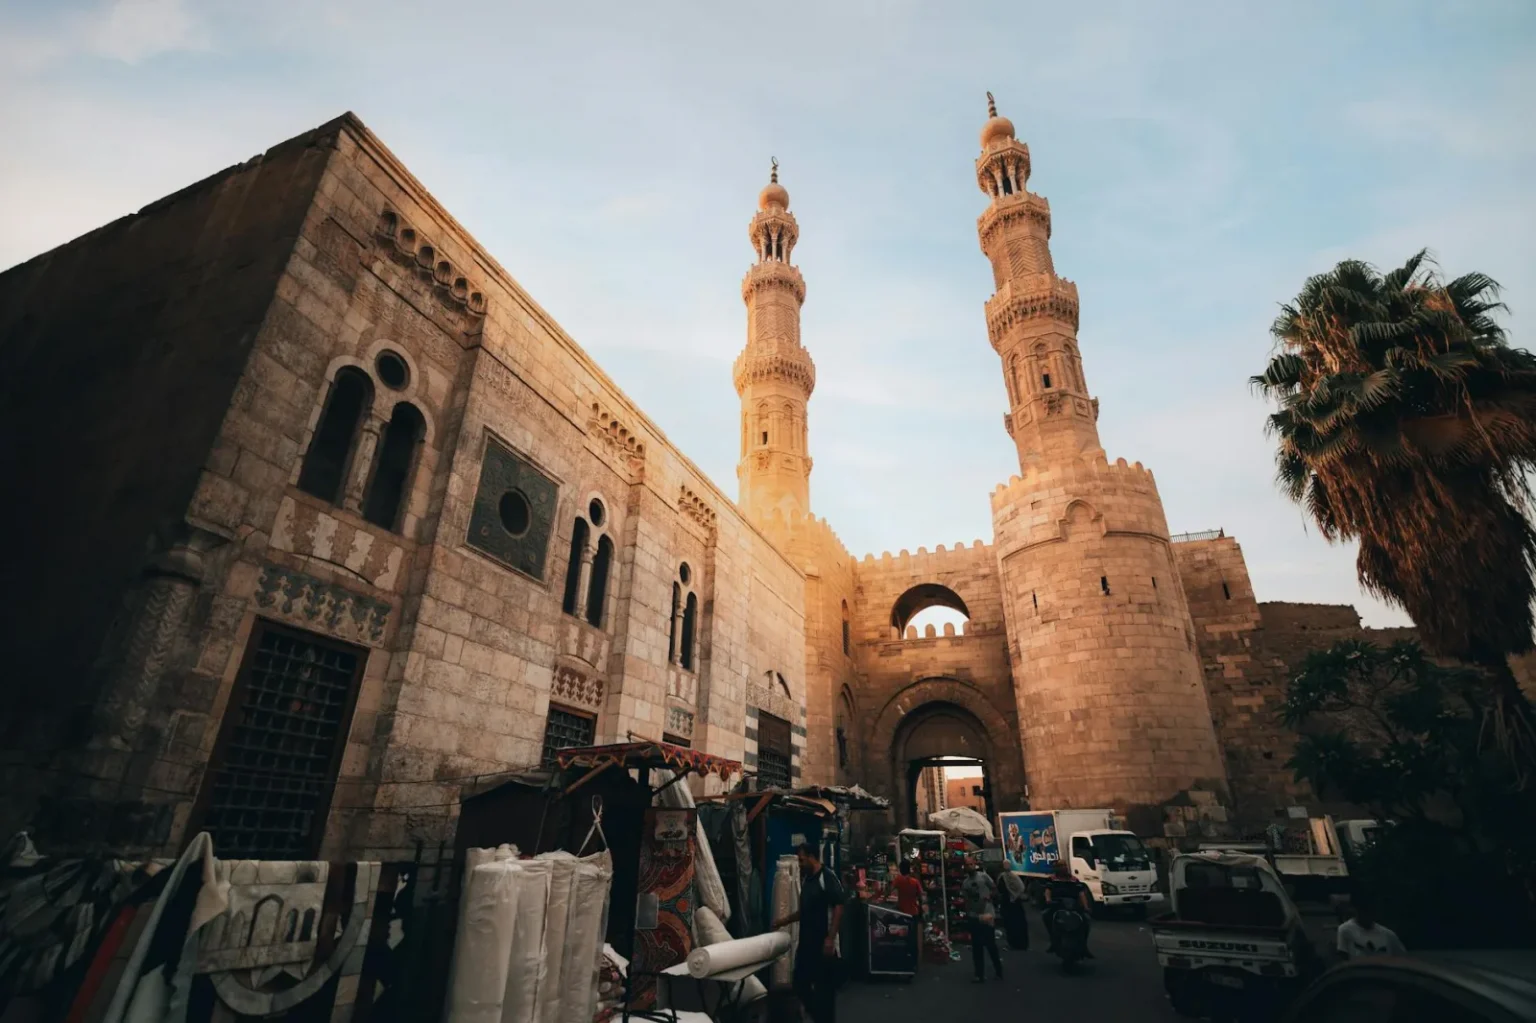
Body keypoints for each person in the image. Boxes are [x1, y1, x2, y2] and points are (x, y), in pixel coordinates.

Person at [773, 842, 845, 1023]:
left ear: (812, 857)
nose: (799, 864)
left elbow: (838, 906)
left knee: (825, 992)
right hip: (807, 944)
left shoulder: (826, 877)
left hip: (823, 945)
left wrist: (830, 938)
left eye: (802, 860)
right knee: (799, 983)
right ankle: (817, 1016)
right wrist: (783, 921)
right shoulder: (807, 880)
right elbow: (804, 911)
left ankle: (823, 1019)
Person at [959, 860, 1003, 982]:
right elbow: (966, 902)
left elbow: (994, 889)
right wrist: (969, 915)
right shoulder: (965, 883)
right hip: (975, 916)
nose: (969, 866)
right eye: (967, 865)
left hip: (987, 914)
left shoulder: (983, 877)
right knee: (977, 947)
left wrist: (990, 896)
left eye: (971, 864)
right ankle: (979, 974)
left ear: (975, 865)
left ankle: (998, 971)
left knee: (991, 945)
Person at [1042, 858, 1094, 957]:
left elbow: (1081, 894)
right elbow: (1048, 891)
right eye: (1060, 866)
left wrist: (1086, 906)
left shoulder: (1074, 879)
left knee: (1086, 920)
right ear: (1056, 868)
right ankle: (1053, 940)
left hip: (1073, 905)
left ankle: (1084, 945)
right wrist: (1048, 900)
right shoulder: (1052, 879)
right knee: (1046, 915)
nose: (1063, 868)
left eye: (1064, 865)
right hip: (1057, 904)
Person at [1335, 893, 1406, 961]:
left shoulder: (1387, 934)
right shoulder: (1345, 930)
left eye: (1369, 910)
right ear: (1357, 910)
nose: (1366, 914)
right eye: (1363, 910)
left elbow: (1403, 958)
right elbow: (1342, 960)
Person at [998, 867, 1030, 950]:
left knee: (1011, 923)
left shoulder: (1006, 878)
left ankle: (1015, 943)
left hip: (1010, 903)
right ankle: (1019, 944)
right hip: (1012, 903)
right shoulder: (1006, 877)